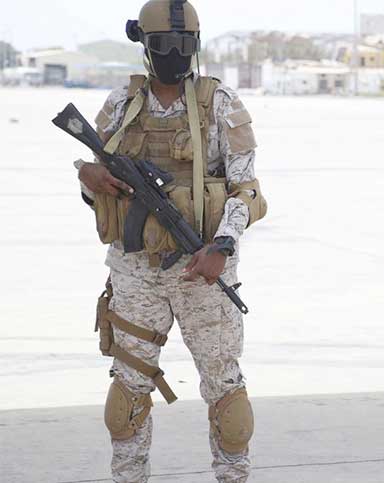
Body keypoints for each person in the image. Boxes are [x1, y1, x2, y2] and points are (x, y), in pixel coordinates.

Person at [73, 1, 266, 481]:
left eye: (184, 45)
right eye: (163, 44)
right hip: (135, 272)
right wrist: (89, 178)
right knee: (128, 395)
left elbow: (246, 190)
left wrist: (222, 247)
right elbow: (94, 188)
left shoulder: (221, 104)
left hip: (204, 269)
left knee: (227, 395)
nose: (174, 54)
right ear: (144, 44)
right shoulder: (121, 105)